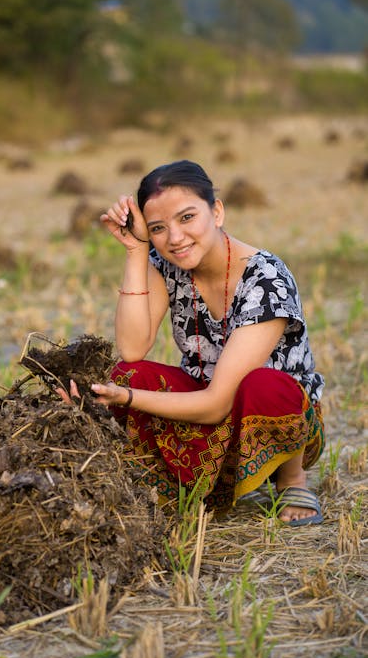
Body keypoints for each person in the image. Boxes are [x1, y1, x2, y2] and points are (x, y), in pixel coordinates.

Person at [61, 160, 325, 526]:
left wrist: (128, 399)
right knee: (128, 373)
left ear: (216, 211)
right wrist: (136, 252)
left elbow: (218, 404)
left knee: (265, 384)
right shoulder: (164, 262)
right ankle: (198, 481)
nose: (174, 238)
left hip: (272, 416)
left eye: (187, 218)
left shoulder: (266, 279)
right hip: (201, 400)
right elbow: (132, 349)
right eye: (158, 228)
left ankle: (292, 479)